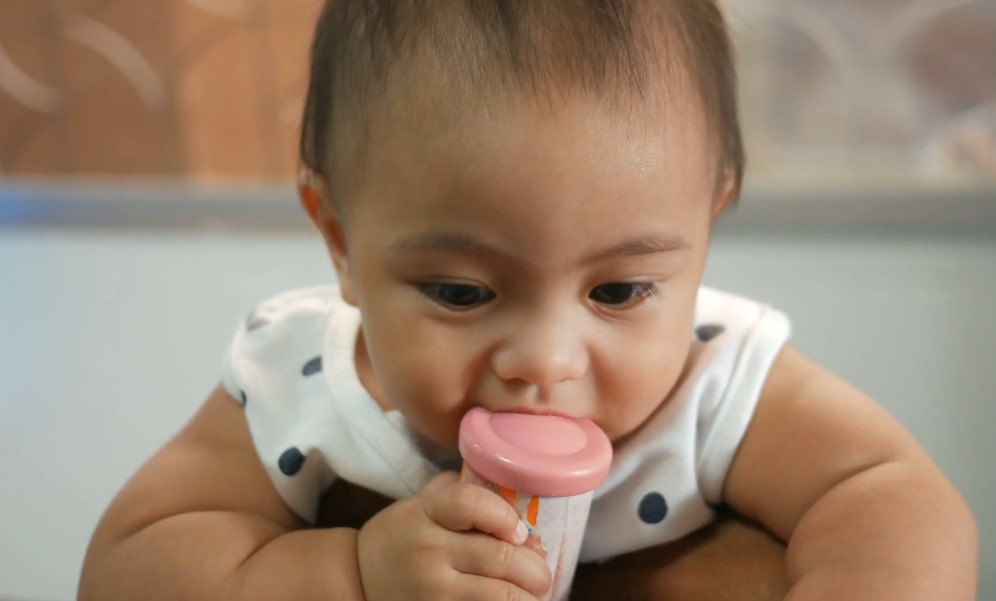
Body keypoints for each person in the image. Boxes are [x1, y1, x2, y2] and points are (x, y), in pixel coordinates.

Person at [78, 1, 978, 600]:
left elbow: (897, 496)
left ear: (708, 225)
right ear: (342, 240)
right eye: (461, 291)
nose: (545, 359)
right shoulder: (303, 378)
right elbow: (123, 570)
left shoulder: (715, 380)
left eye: (619, 289)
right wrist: (351, 570)